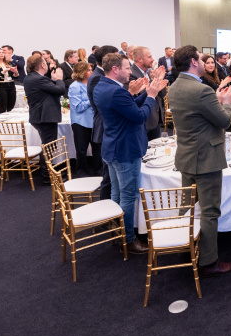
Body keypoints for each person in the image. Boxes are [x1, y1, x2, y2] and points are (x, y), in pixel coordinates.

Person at [171, 45, 231, 276]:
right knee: (210, 211)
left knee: (187, 206)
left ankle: (183, 245)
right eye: (200, 59)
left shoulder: (175, 86)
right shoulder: (201, 91)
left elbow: (197, 117)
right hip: (206, 158)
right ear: (193, 61)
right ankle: (209, 262)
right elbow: (224, 121)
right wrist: (227, 101)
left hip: (186, 155)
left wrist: (216, 101)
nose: (203, 62)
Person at [94, 53, 166, 255]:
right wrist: (151, 95)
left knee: (117, 193)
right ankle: (128, 239)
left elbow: (128, 106)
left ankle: (118, 233)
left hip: (113, 146)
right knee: (128, 195)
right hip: (125, 149)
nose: (130, 71)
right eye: (127, 68)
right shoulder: (116, 92)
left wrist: (149, 90)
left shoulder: (103, 85)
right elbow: (139, 116)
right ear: (115, 69)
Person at [24, 53, 65, 186]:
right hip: (45, 117)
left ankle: (49, 173)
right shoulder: (39, 79)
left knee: (48, 145)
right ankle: (47, 177)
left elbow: (47, 90)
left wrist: (52, 80)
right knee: (48, 147)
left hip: (39, 116)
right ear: (42, 65)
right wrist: (59, 79)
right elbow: (60, 90)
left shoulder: (31, 77)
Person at [87, 45, 118, 197]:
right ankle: (106, 210)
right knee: (108, 175)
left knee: (111, 173)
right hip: (105, 126)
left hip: (106, 125)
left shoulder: (99, 75)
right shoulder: (98, 77)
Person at [129, 46, 167, 141]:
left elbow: (162, 94)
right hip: (143, 120)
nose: (153, 59)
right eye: (149, 57)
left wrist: (158, 79)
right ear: (139, 59)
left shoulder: (151, 72)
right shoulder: (131, 74)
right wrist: (154, 82)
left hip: (155, 118)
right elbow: (136, 97)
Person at [68, 61, 98, 176]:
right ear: (82, 72)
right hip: (80, 122)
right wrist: (92, 100)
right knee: (81, 149)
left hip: (93, 121)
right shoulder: (74, 86)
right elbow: (78, 107)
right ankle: (81, 172)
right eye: (89, 70)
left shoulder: (91, 84)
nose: (91, 72)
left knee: (97, 147)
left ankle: (98, 170)